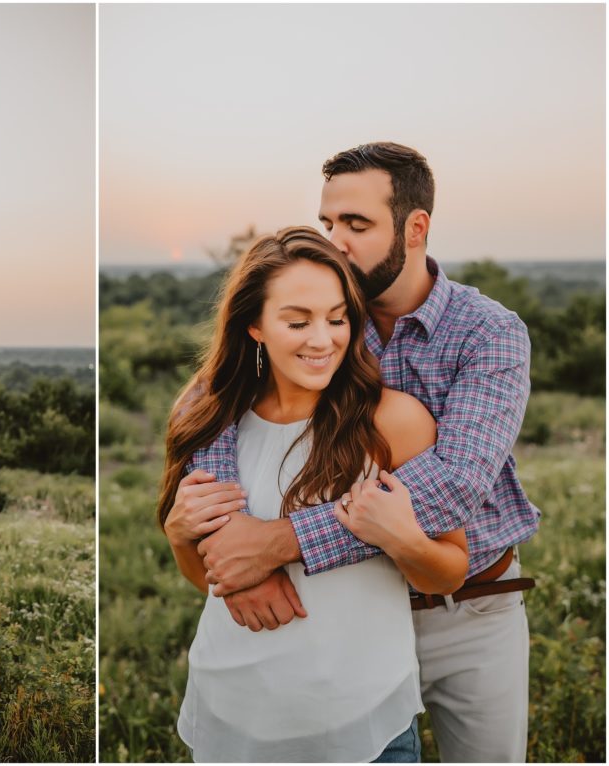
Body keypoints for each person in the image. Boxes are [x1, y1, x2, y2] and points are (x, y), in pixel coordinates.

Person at [193, 143, 539, 762]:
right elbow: (215, 394)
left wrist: (277, 543)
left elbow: (454, 486)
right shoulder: (326, 319)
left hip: (467, 609)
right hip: (343, 612)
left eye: (356, 224)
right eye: (328, 222)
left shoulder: (488, 332)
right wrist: (227, 540)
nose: (337, 241)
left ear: (415, 228)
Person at [160, 227, 469, 762]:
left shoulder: (394, 421)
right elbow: (205, 579)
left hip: (365, 723)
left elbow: (447, 572)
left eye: (337, 318)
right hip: (231, 714)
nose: (322, 340)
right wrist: (179, 536)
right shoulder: (212, 421)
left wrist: (401, 539)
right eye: (298, 322)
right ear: (255, 325)